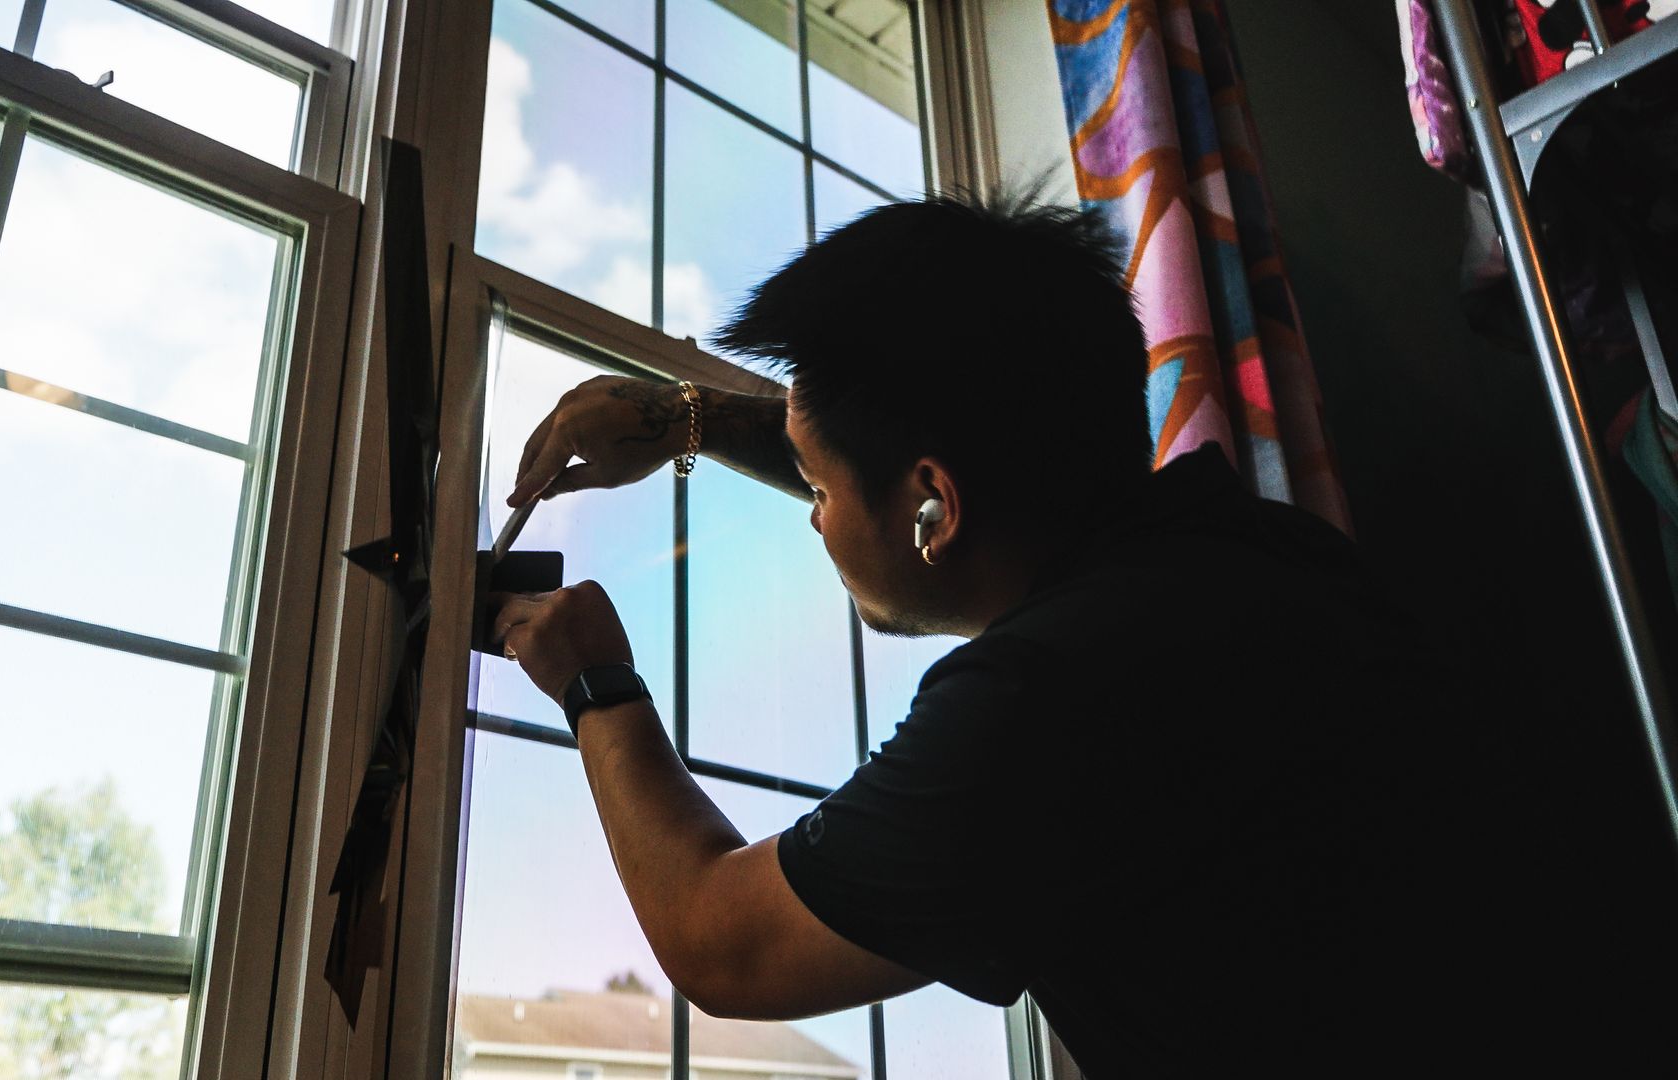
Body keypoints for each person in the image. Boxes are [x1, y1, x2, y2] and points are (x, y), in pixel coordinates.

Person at [489, 192, 1668, 1077]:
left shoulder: (1045, 707)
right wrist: (685, 415)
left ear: (934, 505)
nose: (815, 517)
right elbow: (910, 460)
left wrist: (600, 688)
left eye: (817, 488)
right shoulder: (1241, 555)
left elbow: (720, 946)